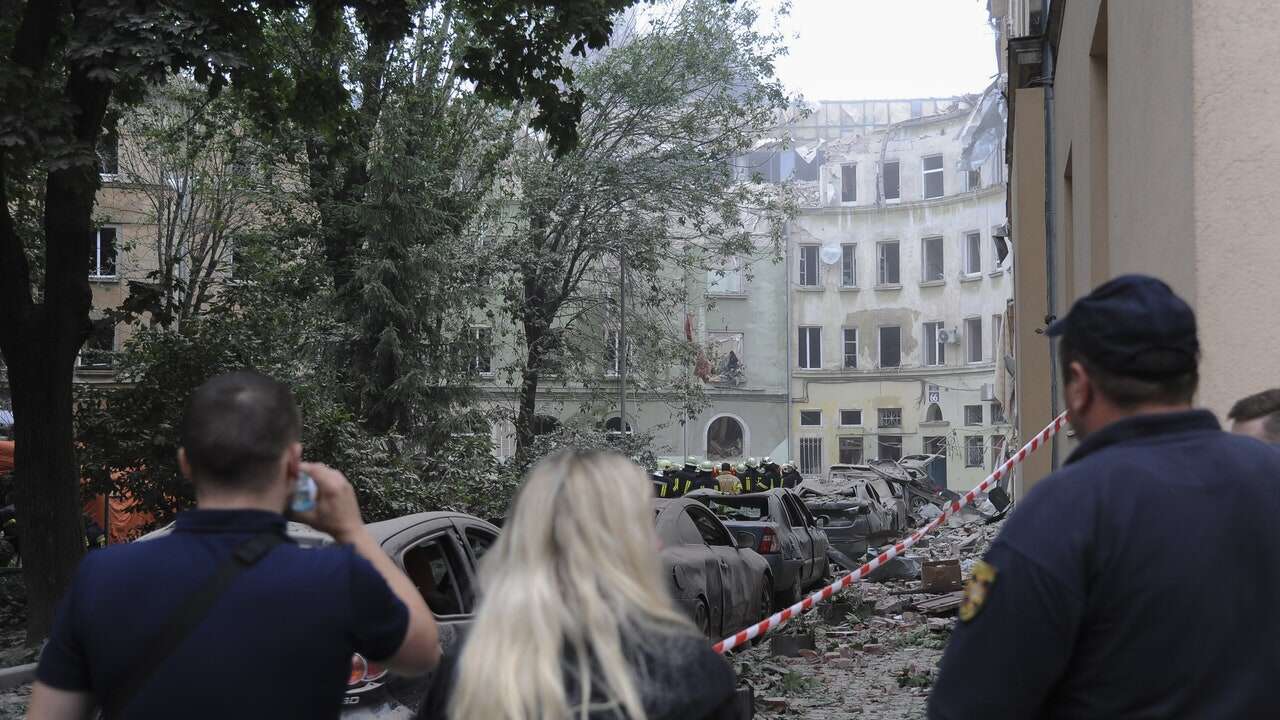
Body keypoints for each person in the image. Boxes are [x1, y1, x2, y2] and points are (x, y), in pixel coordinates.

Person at [928, 275, 1280, 719]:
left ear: (1079, 384)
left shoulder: (1063, 513)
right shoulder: (1270, 474)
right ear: (1189, 373)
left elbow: (968, 705)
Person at [30, 371, 440, 720]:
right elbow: (423, 652)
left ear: (186, 463)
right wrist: (350, 530)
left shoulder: (101, 577)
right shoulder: (335, 576)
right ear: (294, 464)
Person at [416, 450, 743, 720]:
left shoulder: (467, 670)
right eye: (644, 528)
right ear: (626, 544)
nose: (657, 545)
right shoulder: (692, 676)